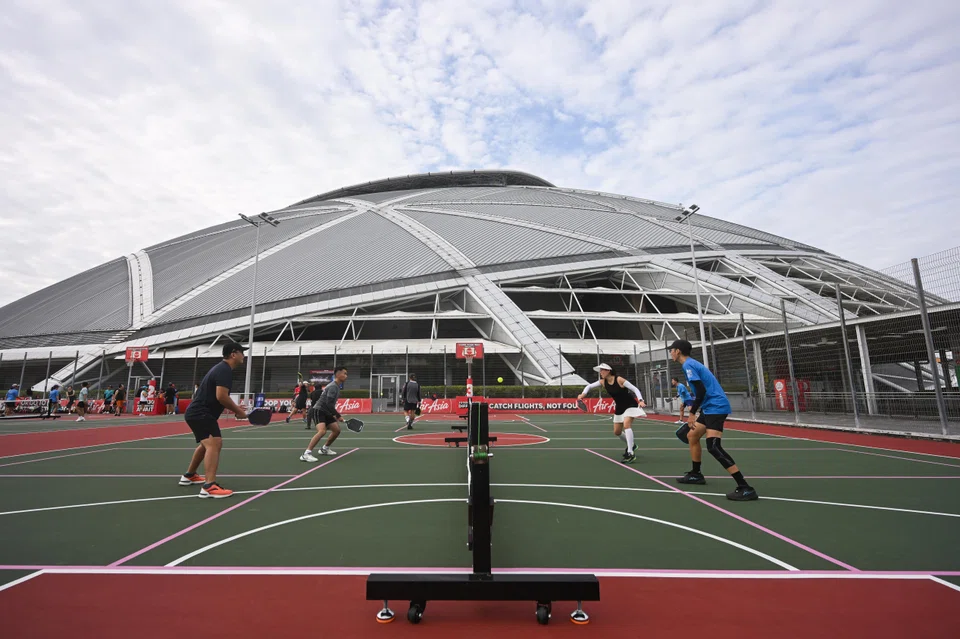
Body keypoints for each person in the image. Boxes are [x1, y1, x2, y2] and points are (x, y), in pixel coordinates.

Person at [668, 339, 758, 501]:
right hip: (710, 407)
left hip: (716, 407)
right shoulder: (691, 365)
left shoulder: (688, 365)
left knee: (714, 446)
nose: (670, 353)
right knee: (692, 436)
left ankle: (745, 487)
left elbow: (701, 391)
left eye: (671, 350)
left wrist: (692, 413)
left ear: (678, 351)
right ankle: (696, 474)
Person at [180, 341, 248, 499]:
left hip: (198, 413)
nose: (243, 355)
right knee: (214, 443)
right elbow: (221, 396)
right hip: (201, 413)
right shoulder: (225, 370)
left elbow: (219, 397)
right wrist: (238, 411)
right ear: (233, 354)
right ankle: (209, 486)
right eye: (241, 352)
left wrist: (237, 409)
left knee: (207, 444)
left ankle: (189, 475)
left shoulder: (221, 369)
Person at [577, 363, 646, 464]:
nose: (600, 372)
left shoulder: (619, 380)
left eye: (602, 370)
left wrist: (640, 400)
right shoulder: (603, 382)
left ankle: (630, 453)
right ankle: (632, 445)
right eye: (600, 371)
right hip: (619, 407)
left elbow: (635, 389)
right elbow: (589, 386)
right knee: (617, 432)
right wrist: (583, 394)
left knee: (627, 425)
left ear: (608, 370)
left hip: (630, 404)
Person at [300, 367, 347, 462]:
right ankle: (306, 454)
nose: (346, 376)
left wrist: (333, 414)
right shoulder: (333, 386)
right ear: (338, 375)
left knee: (336, 430)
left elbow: (329, 404)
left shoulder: (337, 386)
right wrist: (338, 415)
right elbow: (328, 403)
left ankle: (324, 449)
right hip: (319, 410)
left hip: (327, 411)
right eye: (344, 373)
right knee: (322, 431)